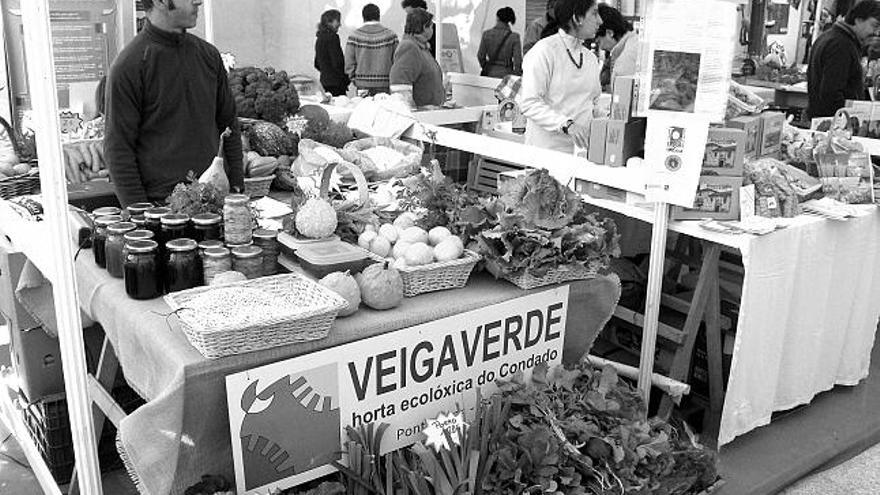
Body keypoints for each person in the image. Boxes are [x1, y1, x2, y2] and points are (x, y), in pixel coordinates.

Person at [104, 0, 243, 207]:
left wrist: (237, 190)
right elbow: (118, 151)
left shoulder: (208, 55)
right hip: (162, 210)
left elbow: (228, 125)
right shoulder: (129, 66)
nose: (199, 2)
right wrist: (142, 217)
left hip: (216, 204)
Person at [517, 0, 602, 152]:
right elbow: (529, 103)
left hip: (581, 153)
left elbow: (593, 103)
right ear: (577, 18)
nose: (600, 21)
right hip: (546, 153)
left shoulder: (590, 58)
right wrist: (567, 124)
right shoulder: (544, 52)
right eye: (594, 13)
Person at [807, 0, 880, 118]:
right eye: (875, 25)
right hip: (833, 124)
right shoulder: (840, 45)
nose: (876, 32)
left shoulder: (831, 36)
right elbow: (831, 93)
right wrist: (855, 117)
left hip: (824, 119)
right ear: (858, 19)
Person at [390, 8, 445, 107]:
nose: (432, 30)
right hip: (420, 117)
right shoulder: (409, 47)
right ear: (424, 27)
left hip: (431, 114)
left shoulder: (421, 48)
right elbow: (400, 88)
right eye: (431, 27)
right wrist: (418, 111)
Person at [345, 4, 399, 95]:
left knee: (362, 108)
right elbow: (397, 60)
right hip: (385, 84)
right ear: (379, 16)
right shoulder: (391, 35)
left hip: (362, 85)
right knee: (383, 109)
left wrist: (354, 79)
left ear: (363, 17)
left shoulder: (354, 36)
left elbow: (349, 62)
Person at [596, 4, 637, 88]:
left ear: (610, 33)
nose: (601, 48)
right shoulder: (634, 42)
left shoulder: (625, 59)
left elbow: (621, 97)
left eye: (599, 42)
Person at [477, 7, 523, 77]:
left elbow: (480, 56)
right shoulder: (514, 37)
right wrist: (516, 75)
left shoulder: (486, 34)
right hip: (506, 75)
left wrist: (486, 67)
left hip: (489, 73)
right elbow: (518, 61)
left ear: (497, 18)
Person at [315, 10, 350, 97]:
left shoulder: (319, 38)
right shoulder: (333, 37)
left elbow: (316, 63)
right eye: (338, 21)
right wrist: (346, 78)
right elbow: (338, 62)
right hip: (336, 84)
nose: (340, 24)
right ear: (329, 22)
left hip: (324, 82)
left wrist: (326, 71)